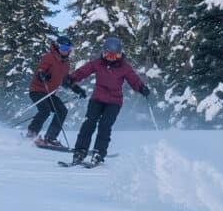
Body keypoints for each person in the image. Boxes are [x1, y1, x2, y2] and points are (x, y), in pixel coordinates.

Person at [65, 35, 148, 165]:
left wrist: (141, 88)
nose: (111, 59)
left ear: (120, 55)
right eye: (108, 55)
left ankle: (99, 152)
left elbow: (133, 79)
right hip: (97, 99)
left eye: (114, 56)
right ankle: (80, 151)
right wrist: (71, 78)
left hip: (114, 102)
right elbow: (83, 71)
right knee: (89, 123)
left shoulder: (124, 67)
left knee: (105, 126)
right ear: (103, 53)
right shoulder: (98, 63)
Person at [26, 35, 77, 147]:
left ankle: (51, 137)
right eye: (63, 47)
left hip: (50, 93)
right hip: (37, 90)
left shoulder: (66, 63)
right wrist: (41, 74)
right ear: (58, 46)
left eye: (68, 48)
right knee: (45, 110)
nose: (65, 51)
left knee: (62, 110)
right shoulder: (49, 57)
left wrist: (75, 88)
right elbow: (40, 70)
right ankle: (32, 133)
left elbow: (65, 79)